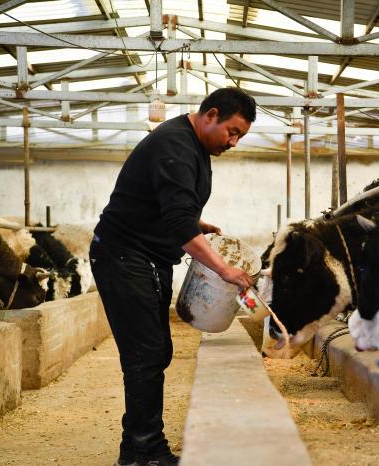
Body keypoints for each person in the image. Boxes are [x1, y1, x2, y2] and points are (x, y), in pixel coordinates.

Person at [89, 87, 257, 466]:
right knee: (146, 353)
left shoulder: (194, 147)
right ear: (210, 115)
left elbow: (167, 202)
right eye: (232, 131)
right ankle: (145, 451)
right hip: (123, 255)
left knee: (155, 351)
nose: (233, 142)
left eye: (240, 136)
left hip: (148, 257)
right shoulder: (175, 146)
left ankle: (137, 450)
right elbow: (178, 222)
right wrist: (224, 269)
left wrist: (196, 222)